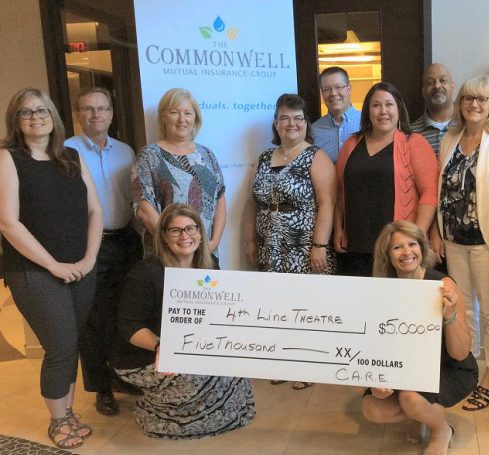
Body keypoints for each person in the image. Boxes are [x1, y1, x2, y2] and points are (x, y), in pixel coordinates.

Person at [0, 87, 103, 449]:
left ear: (53, 117)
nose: (35, 117)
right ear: (16, 120)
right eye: (26, 112)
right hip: (34, 271)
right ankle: (58, 419)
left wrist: (89, 258)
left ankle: (69, 411)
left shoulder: (72, 156)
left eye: (41, 110)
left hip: (80, 267)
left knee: (71, 342)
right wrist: (53, 265)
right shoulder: (8, 159)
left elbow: (95, 212)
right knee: (59, 345)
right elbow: (9, 223)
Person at [113, 204, 255, 438]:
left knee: (233, 369)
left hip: (191, 347)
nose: (185, 236)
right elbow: (128, 325)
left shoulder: (211, 267)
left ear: (200, 232)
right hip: (144, 354)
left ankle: (212, 415)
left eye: (191, 228)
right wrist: (162, 347)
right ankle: (158, 416)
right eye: (176, 231)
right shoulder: (146, 273)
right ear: (164, 237)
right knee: (193, 380)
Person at [430, 76, 489, 410]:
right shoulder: (450, 139)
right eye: (468, 99)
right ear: (460, 104)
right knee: (463, 309)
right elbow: (442, 192)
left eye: (482, 100)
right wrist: (437, 232)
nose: (474, 105)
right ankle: (469, 370)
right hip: (453, 238)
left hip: (487, 241)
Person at [362, 221, 477, 455]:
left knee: (411, 399)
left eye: (412, 244)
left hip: (447, 366)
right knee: (373, 408)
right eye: (397, 248)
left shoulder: (443, 285)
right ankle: (421, 414)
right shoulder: (381, 290)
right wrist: (376, 378)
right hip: (405, 366)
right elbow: (373, 344)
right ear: (387, 255)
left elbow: (460, 353)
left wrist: (450, 316)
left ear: (422, 248)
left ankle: (441, 430)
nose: (406, 253)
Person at [245, 93, 336, 390]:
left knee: (305, 306)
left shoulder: (315, 156)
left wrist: (319, 246)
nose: (291, 123)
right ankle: (284, 361)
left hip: (303, 243)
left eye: (298, 118)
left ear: (305, 123)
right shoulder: (262, 158)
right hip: (270, 244)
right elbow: (252, 203)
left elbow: (327, 203)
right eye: (284, 117)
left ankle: (309, 366)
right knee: (278, 306)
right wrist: (250, 240)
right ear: (276, 123)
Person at [65, 86, 142, 417]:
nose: (96, 114)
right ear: (78, 114)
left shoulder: (126, 151)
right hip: (87, 245)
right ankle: (100, 388)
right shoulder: (65, 151)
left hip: (125, 241)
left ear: (111, 113)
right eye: (88, 108)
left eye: (102, 108)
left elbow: (132, 200)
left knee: (124, 313)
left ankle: (122, 377)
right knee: (94, 318)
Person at [334, 82, 438, 277]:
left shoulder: (414, 143)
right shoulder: (351, 144)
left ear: (398, 108)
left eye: (389, 105)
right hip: (356, 245)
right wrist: (339, 228)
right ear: (368, 111)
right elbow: (340, 192)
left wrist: (416, 238)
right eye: (376, 105)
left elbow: (429, 194)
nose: (383, 111)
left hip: (397, 249)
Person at [133, 88, 226, 265]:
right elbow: (144, 209)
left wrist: (213, 243)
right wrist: (175, 244)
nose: (182, 119)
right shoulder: (149, 155)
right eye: (174, 112)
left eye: (188, 113)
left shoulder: (207, 155)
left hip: (205, 253)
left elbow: (219, 199)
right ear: (163, 117)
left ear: (195, 119)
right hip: (168, 255)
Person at [312, 67, 361, 163]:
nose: (333, 93)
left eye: (338, 87)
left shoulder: (367, 122)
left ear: (349, 89)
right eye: (327, 89)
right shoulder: (314, 130)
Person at [411, 63, 456, 155]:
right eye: (430, 82)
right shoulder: (411, 133)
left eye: (443, 80)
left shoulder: (468, 125)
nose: (437, 86)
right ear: (423, 91)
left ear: (452, 87)